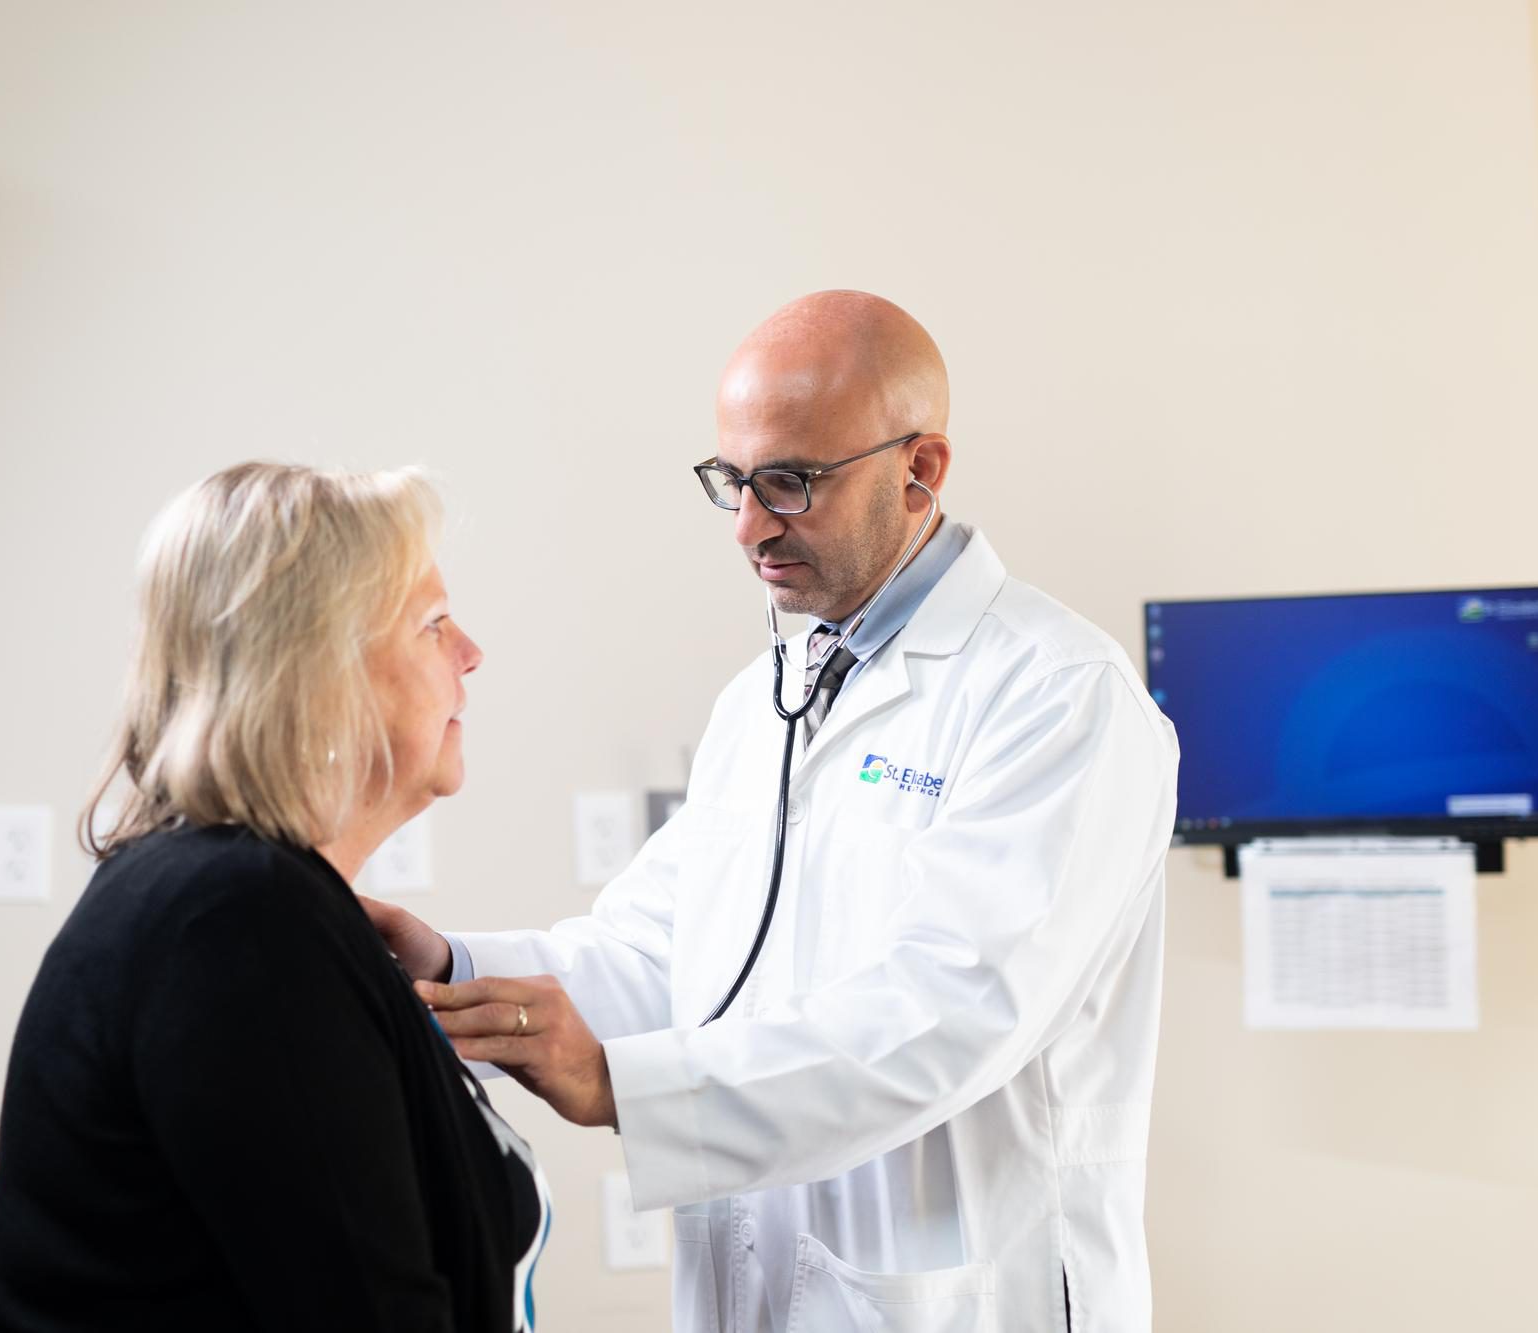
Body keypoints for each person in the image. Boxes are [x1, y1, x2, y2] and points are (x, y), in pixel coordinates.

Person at [365, 292, 1180, 1333]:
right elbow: (668, 952)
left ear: (918, 470)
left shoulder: (1057, 695)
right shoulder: (766, 697)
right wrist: (452, 966)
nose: (749, 526)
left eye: (789, 482)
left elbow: (948, 1012)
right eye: (731, 482)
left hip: (962, 1302)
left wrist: (624, 1084)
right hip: (758, 1285)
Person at [0, 462, 551, 1333]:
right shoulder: (239, 923)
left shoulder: (247, 901)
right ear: (319, 677)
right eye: (431, 624)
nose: (470, 652)